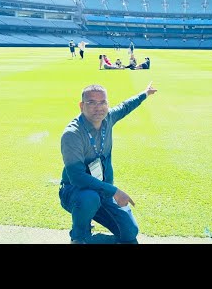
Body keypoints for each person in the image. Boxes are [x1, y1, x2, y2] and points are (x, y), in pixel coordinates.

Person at [59, 82, 158, 244]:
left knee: (129, 233)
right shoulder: (73, 134)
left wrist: (145, 93)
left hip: (102, 191)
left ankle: (89, 238)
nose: (98, 107)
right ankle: (79, 236)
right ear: (81, 105)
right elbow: (76, 177)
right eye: (91, 102)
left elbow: (126, 106)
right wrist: (114, 191)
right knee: (89, 198)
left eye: (102, 102)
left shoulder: (108, 118)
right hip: (75, 191)